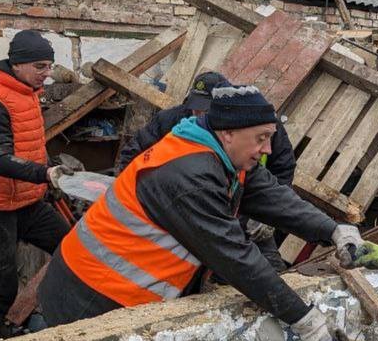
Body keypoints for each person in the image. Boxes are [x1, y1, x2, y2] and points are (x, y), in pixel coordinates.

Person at [36, 85, 360, 341]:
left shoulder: (222, 153)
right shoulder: (189, 176)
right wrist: (303, 319)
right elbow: (236, 258)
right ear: (229, 132)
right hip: (90, 296)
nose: (269, 149)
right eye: (261, 138)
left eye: (271, 137)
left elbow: (275, 197)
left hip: (118, 291)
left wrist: (333, 231)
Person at [116, 71, 298, 271]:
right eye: (196, 108)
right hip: (186, 213)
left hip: (243, 211)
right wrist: (139, 199)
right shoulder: (171, 120)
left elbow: (284, 166)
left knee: (271, 270)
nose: (200, 114)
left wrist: (265, 216)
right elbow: (132, 155)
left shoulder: (260, 124)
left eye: (207, 110)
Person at [0, 30, 72, 341]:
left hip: (25, 201)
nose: (47, 74)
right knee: (0, 287)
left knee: (70, 248)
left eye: (49, 66)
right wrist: (45, 173)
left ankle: (62, 319)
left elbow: (30, 145)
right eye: (40, 67)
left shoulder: (25, 92)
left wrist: (47, 176)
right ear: (18, 64)